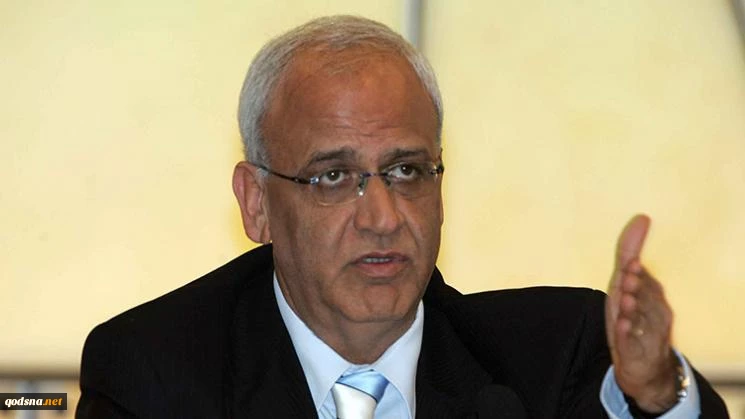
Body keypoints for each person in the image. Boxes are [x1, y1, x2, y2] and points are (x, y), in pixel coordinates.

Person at [76, 15, 729, 418]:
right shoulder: (154, 373)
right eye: (334, 177)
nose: (383, 217)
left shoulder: (555, 358)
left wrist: (656, 394)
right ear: (256, 203)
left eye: (406, 171)